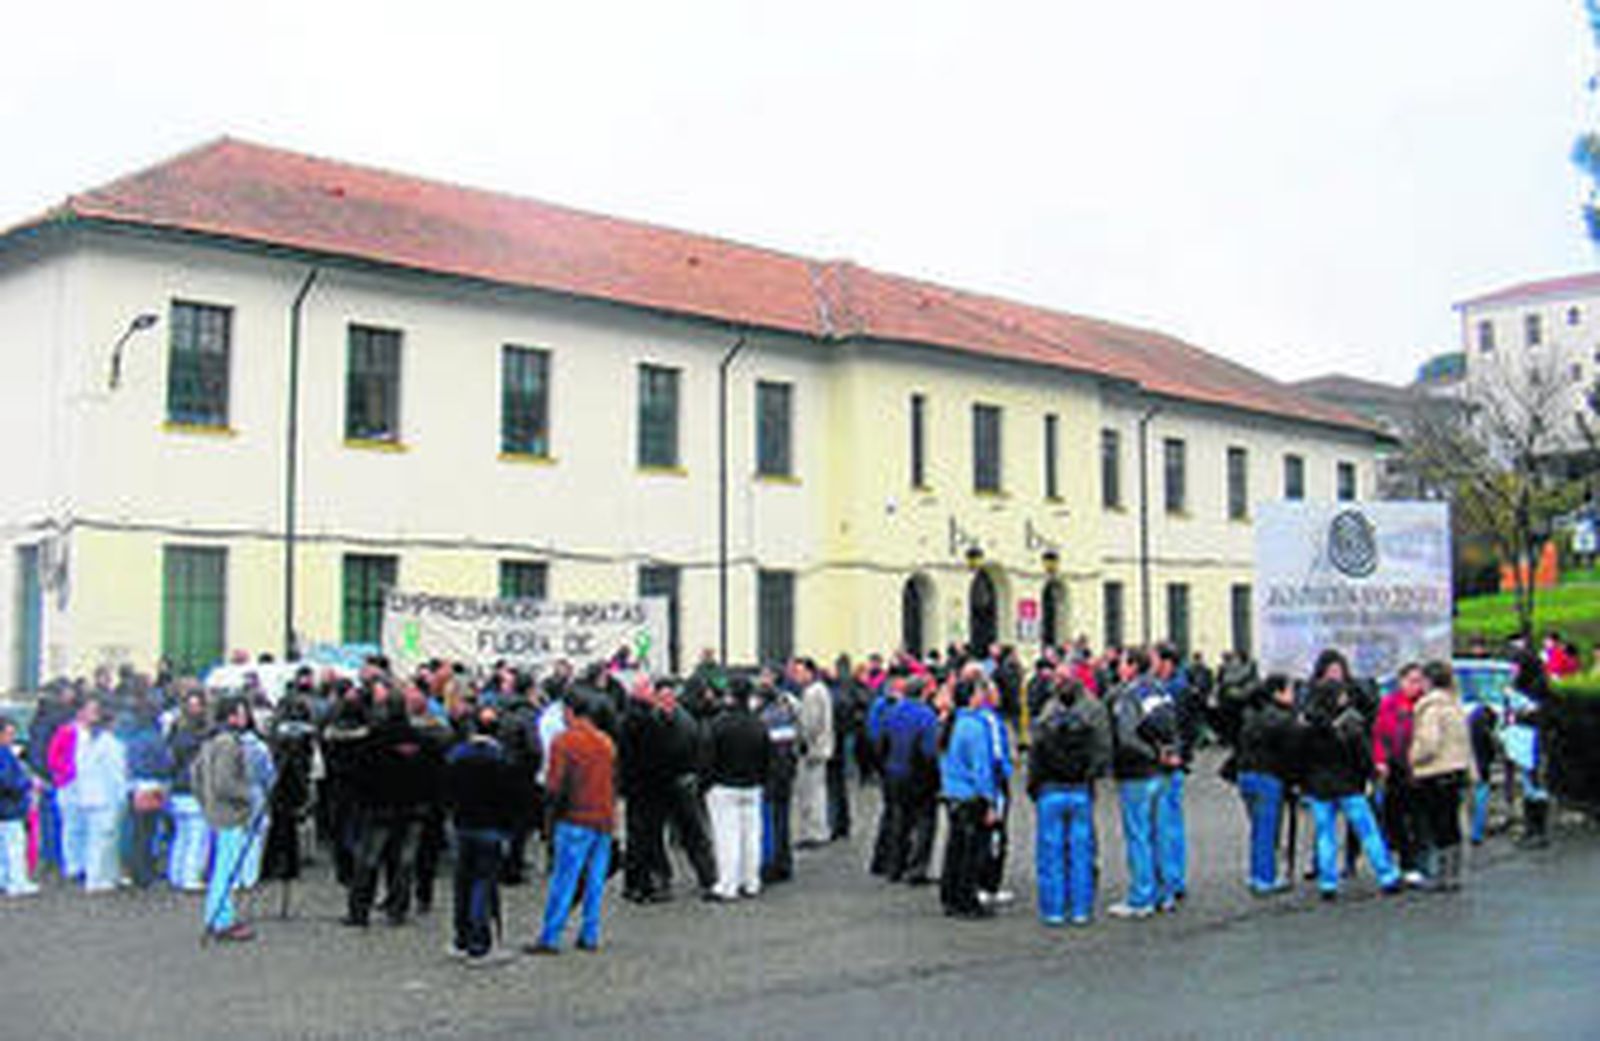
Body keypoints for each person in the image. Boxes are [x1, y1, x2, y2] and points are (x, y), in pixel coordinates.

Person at [527, 694, 616, 955]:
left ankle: (550, 935)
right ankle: (590, 933)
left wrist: (549, 816)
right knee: (594, 880)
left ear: (569, 712)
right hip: (604, 818)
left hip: (575, 818)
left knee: (565, 879)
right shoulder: (606, 742)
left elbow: (555, 785)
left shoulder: (564, 742)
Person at [1299, 680, 1400, 900]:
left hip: (1319, 788)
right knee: (1368, 831)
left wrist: (1304, 783)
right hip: (1349, 785)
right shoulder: (1350, 723)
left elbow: (1301, 759)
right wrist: (1370, 776)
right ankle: (1386, 874)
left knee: (1325, 834)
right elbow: (1362, 756)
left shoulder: (1308, 725)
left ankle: (1328, 882)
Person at [1028, 677, 1109, 926]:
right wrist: (1088, 778)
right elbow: (1098, 756)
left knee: (1050, 854)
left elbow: (1035, 762)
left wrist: (1034, 788)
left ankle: (1053, 909)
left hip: (1051, 791)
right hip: (1079, 790)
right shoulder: (1086, 728)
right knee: (1081, 854)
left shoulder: (1044, 727)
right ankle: (1080, 909)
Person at [444, 707, 517, 963]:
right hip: (491, 828)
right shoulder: (503, 759)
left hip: (462, 825)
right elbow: (511, 799)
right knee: (483, 884)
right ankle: (479, 942)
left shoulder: (456, 756)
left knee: (462, 883)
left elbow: (446, 790)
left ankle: (461, 938)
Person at [1106, 649, 1172, 919]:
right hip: (1162, 771)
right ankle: (1164, 893)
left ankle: (1141, 897)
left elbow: (1127, 736)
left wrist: (1150, 754)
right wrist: (1167, 754)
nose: (1118, 668)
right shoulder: (1160, 690)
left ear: (1133, 667)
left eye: (1122, 663)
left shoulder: (1128, 695)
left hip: (1136, 772)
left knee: (1138, 835)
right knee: (1160, 833)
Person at [194, 697, 256, 942]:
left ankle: (218, 916)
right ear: (231, 716)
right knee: (226, 871)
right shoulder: (229, 744)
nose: (245, 717)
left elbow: (196, 775)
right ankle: (221, 920)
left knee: (221, 868)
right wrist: (247, 796)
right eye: (241, 712)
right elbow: (224, 782)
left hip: (215, 812)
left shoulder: (210, 742)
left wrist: (205, 801)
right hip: (229, 814)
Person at [939, 679, 1000, 919]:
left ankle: (950, 896)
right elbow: (981, 768)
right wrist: (990, 800)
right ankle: (967, 901)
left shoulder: (950, 722)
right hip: (971, 795)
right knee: (971, 853)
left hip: (952, 792)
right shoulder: (975, 727)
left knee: (954, 849)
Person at [705, 678, 771, 901]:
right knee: (751, 836)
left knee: (727, 837)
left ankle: (727, 885)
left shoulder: (718, 724)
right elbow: (767, 757)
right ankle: (751, 881)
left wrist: (707, 783)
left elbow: (708, 757)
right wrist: (762, 780)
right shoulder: (759, 724)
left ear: (730, 696)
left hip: (724, 786)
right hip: (752, 786)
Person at [1409, 661, 1473, 891]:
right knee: (1452, 823)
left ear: (1429, 681)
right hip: (1456, 769)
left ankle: (1441, 875)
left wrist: (1413, 757)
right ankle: (1453, 874)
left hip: (1435, 771)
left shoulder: (1431, 708)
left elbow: (1429, 742)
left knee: (1438, 825)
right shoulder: (1455, 705)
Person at [1234, 674, 1298, 894]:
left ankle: (1256, 874)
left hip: (1245, 774)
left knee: (1257, 829)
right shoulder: (1283, 719)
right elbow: (1290, 753)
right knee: (1267, 830)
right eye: (1289, 690)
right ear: (1277, 693)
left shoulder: (1252, 715)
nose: (1293, 695)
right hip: (1268, 776)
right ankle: (1265, 878)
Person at [1373, 663, 1425, 886]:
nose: (1416, 685)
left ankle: (1415, 862)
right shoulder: (1390, 703)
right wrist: (1380, 760)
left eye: (1419, 681)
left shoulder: (1425, 704)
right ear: (1401, 682)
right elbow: (1380, 735)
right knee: (1394, 817)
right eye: (1411, 680)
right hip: (1396, 767)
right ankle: (1403, 860)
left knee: (1418, 817)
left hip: (1420, 767)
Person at [69, 696, 128, 893]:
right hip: (105, 798)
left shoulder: (88, 742)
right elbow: (117, 774)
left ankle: (103, 876)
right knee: (103, 839)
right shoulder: (111, 745)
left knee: (96, 839)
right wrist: (122, 795)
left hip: (89, 797)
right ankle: (97, 878)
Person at [166, 690, 212, 890]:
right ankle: (190, 876)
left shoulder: (175, 734)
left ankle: (176, 873)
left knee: (182, 835)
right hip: (194, 789)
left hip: (178, 788)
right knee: (197, 836)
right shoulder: (204, 737)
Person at [759, 673, 800, 884]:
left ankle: (772, 864)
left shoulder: (765, 718)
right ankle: (784, 862)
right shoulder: (786, 712)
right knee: (783, 819)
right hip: (786, 772)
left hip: (771, 774)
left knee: (771, 821)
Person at [793, 659, 834, 848]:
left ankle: (814, 833)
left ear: (810, 672)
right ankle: (817, 831)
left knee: (810, 794)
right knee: (816, 791)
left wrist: (800, 736)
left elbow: (811, 724)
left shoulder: (812, 693)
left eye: (800, 672)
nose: (796, 676)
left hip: (812, 750)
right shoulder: (821, 690)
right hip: (821, 748)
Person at [0, 717, 39, 896]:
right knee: (14, 846)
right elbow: (7, 780)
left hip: (6, 806)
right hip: (10, 806)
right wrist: (27, 784)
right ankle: (17, 882)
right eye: (9, 734)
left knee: (4, 847)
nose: (11, 738)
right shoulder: (5, 754)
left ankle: (5, 880)